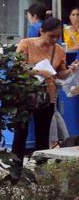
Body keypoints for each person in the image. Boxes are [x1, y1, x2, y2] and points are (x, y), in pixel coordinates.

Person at [13, 17, 74, 161]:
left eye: (57, 36)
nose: (54, 39)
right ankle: (16, 168)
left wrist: (71, 70)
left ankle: (41, 169)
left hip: (47, 96)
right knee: (20, 132)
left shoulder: (59, 50)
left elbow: (60, 74)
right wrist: (40, 72)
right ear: (42, 31)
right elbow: (18, 67)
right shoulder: (26, 44)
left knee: (43, 134)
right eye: (51, 36)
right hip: (25, 93)